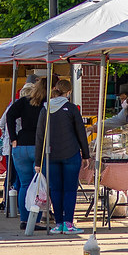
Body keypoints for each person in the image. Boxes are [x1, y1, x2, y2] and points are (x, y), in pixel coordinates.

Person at [34, 79, 91, 235]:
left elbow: (40, 137)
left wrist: (38, 160)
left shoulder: (45, 109)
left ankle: (58, 223)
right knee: (70, 190)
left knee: (55, 190)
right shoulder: (71, 109)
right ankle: (68, 223)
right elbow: (81, 132)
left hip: (50, 156)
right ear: (69, 92)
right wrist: (86, 154)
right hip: (71, 154)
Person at [0, 77, 37, 213]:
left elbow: (2, 123)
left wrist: (12, 136)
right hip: (26, 144)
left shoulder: (13, 105)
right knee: (26, 179)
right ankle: (20, 205)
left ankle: (9, 204)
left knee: (12, 177)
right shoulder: (34, 107)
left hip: (12, 146)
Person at [6, 81, 46, 230]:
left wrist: (13, 138)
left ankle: (24, 220)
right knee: (39, 185)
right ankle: (35, 220)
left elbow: (10, 115)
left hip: (21, 145)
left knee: (24, 184)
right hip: (38, 146)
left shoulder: (24, 101)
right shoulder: (47, 104)